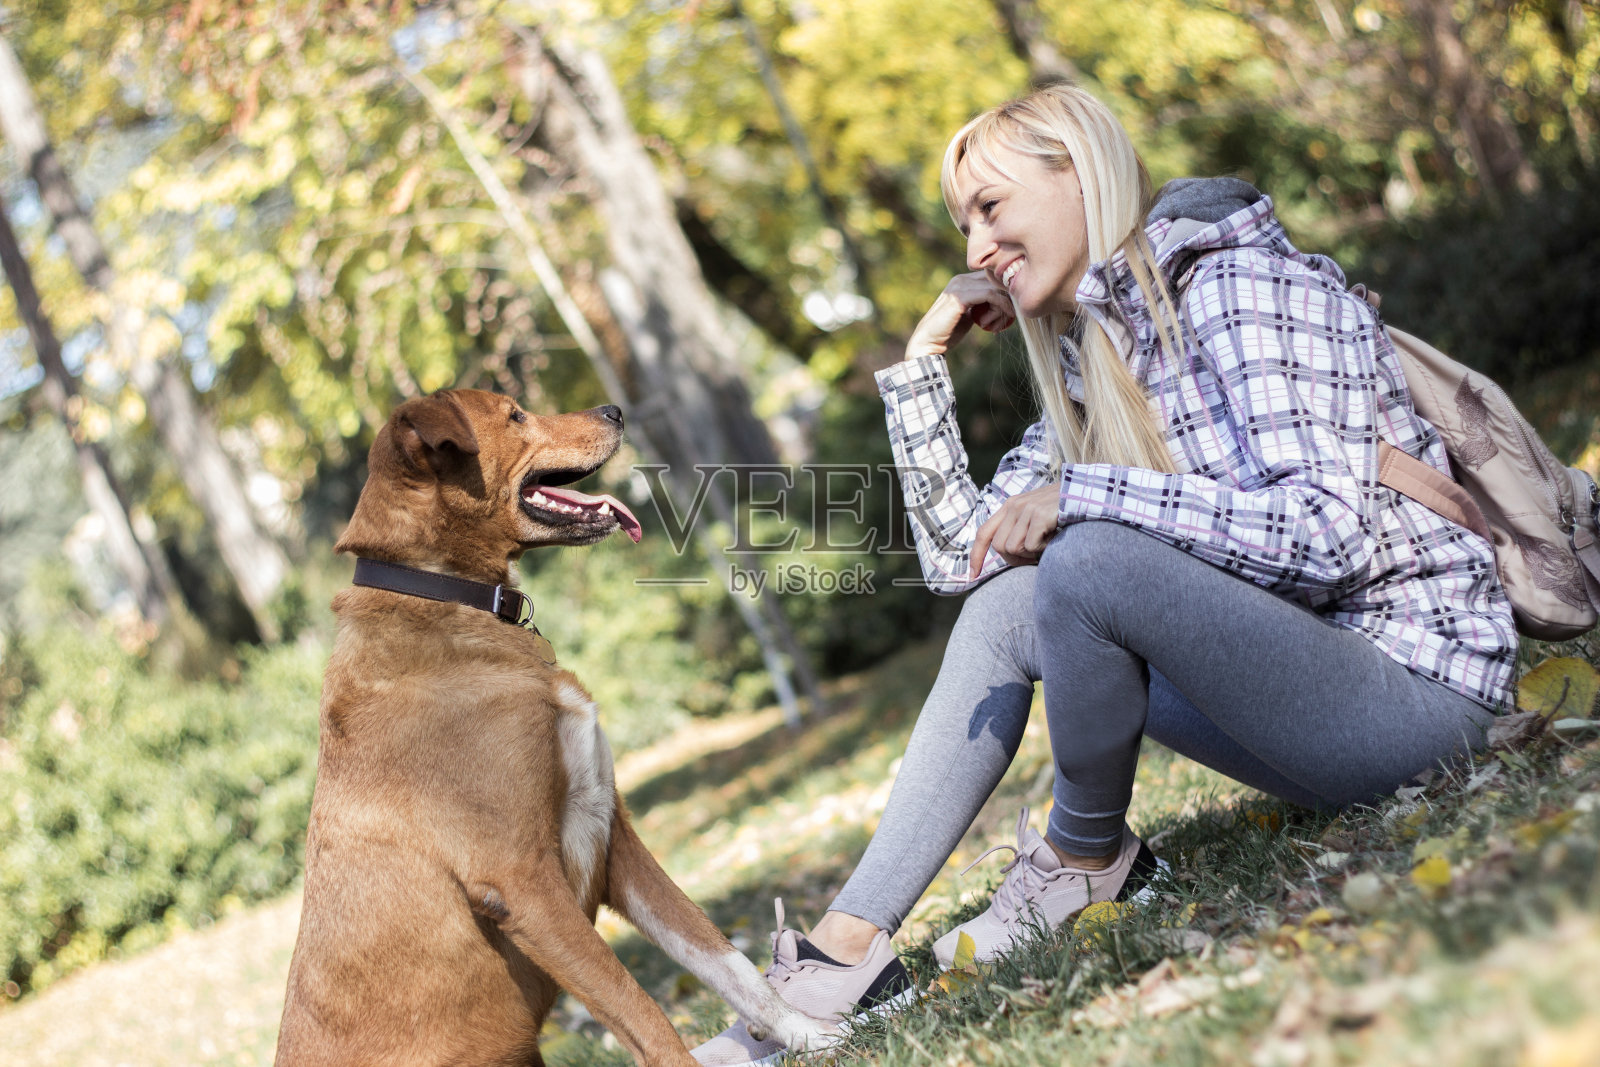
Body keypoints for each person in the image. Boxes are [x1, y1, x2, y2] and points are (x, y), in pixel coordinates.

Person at [691, 83, 1515, 1066]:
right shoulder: (1096, 353)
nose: (975, 251)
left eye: (990, 208)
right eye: (963, 227)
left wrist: (1092, 495)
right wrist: (921, 365)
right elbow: (966, 558)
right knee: (1018, 595)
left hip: (1417, 700)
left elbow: (1329, 533)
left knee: (1085, 553)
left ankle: (1085, 856)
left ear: (1078, 175)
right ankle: (843, 953)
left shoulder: (1236, 287)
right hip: (1307, 714)